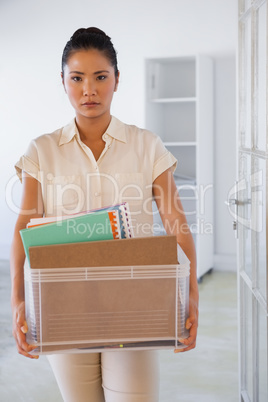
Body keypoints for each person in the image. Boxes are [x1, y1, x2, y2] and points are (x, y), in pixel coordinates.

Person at [10, 27, 199, 402]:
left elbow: (176, 222)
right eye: (77, 78)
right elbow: (24, 226)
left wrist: (190, 295)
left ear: (117, 79)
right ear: (63, 82)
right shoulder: (41, 150)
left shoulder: (147, 145)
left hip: (136, 299)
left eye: (101, 77)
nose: (89, 90)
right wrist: (18, 300)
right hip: (62, 301)